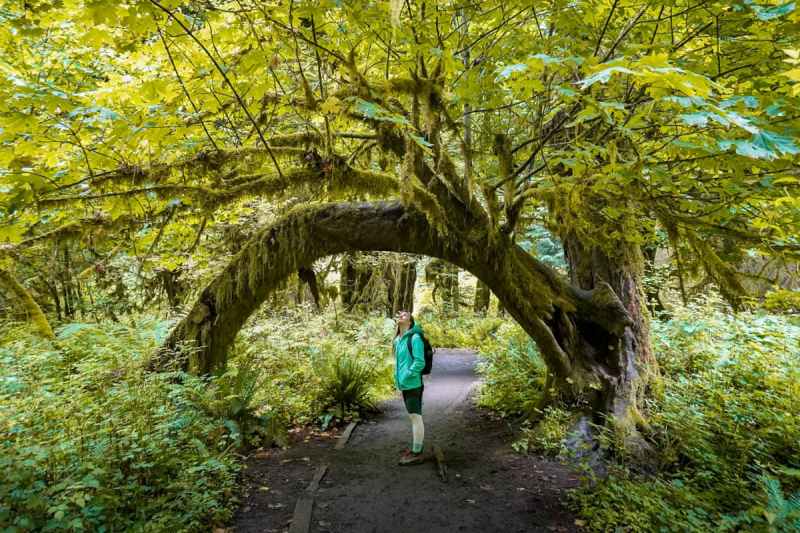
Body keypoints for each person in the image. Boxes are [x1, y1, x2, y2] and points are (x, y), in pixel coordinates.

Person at [392, 309, 426, 465]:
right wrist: (398, 382)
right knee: (413, 417)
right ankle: (416, 448)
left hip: (413, 384)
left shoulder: (415, 338)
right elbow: (398, 364)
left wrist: (406, 376)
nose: (401, 316)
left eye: (404, 315)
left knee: (415, 417)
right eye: (399, 315)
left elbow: (420, 362)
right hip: (404, 384)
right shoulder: (398, 340)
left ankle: (417, 452)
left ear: (410, 321)